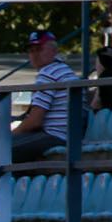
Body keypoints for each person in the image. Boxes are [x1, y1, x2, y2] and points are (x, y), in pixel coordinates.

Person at [9, 29, 78, 161]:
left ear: (54, 50)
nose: (34, 55)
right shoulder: (64, 70)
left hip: (56, 136)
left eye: (39, 49)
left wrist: (10, 135)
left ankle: (0, 182)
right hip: (67, 135)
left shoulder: (48, 74)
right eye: (31, 51)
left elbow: (35, 121)